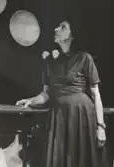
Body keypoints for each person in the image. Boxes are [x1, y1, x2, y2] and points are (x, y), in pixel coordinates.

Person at [16, 19, 109, 167]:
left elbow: (96, 94)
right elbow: (46, 94)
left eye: (62, 27)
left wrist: (101, 126)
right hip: (59, 119)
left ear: (72, 35)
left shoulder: (85, 58)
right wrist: (32, 100)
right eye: (58, 26)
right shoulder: (50, 63)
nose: (56, 29)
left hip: (82, 117)